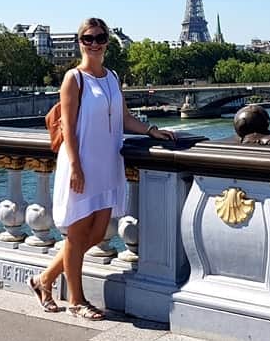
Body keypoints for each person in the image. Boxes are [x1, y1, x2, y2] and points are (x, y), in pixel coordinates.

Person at [29, 17, 175, 320]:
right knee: (77, 234)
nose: (94, 43)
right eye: (87, 38)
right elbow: (68, 128)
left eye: (99, 38)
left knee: (95, 235)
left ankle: (43, 280)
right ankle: (77, 301)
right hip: (81, 163)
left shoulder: (112, 77)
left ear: (107, 41)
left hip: (107, 164)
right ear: (79, 42)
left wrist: (151, 131)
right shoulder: (74, 78)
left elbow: (123, 118)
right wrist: (77, 168)